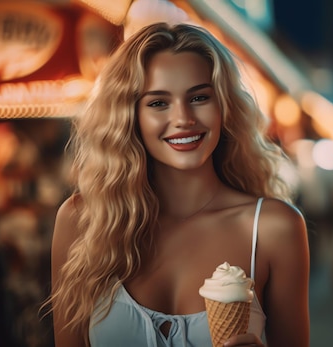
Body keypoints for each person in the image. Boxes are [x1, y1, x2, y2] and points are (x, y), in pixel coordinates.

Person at [44, 22, 310, 347]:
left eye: (199, 97)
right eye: (158, 103)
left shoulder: (273, 227)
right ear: (131, 115)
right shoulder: (81, 221)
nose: (183, 117)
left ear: (224, 107)